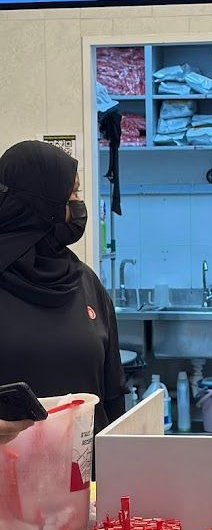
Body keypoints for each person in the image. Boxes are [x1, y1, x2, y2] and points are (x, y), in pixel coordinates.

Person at [0, 141, 125, 433]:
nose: (79, 204)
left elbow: (113, 394)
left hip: (84, 461)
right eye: (72, 193)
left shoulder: (86, 282)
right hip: (10, 460)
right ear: (42, 203)